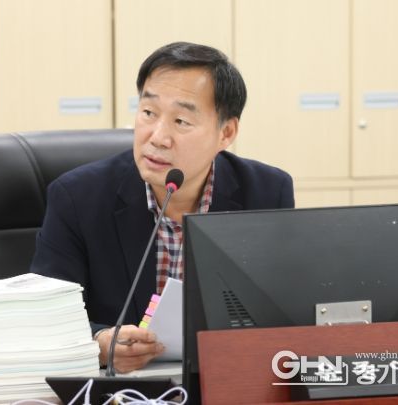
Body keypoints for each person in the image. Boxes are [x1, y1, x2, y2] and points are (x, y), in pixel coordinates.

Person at [31, 42, 295, 373]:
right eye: (148, 113)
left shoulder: (267, 193)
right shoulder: (77, 197)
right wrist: (98, 342)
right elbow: (45, 318)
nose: (157, 137)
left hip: (221, 379)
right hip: (120, 386)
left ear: (226, 133)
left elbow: (282, 311)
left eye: (181, 120)